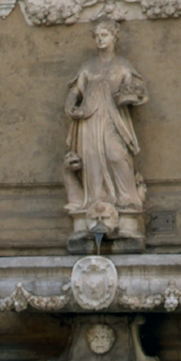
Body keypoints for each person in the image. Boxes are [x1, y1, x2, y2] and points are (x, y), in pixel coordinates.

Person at [62, 16, 150, 246]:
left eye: (105, 35)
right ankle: (94, 204)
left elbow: (137, 88)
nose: (101, 40)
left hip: (114, 120)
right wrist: (70, 104)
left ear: (114, 37)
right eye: (97, 36)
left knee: (116, 155)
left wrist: (133, 94)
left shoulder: (122, 65)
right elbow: (75, 90)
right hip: (89, 121)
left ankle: (127, 202)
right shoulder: (88, 67)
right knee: (91, 159)